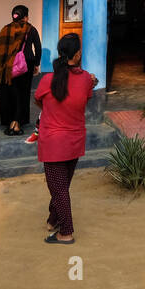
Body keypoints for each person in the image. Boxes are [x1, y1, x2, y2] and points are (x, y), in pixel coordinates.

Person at [35, 33, 97, 244]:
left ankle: (66, 232)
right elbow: (86, 95)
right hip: (75, 140)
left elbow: (38, 100)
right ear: (78, 54)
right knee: (61, 186)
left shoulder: (47, 80)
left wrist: (52, 109)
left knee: (58, 188)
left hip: (53, 141)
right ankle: (54, 220)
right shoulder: (87, 79)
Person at [0, 5, 41, 136]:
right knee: (23, 95)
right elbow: (38, 47)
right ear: (25, 17)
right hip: (26, 66)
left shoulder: (5, 29)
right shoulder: (30, 29)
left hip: (8, 69)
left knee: (10, 95)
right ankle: (17, 123)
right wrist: (36, 64)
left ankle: (10, 123)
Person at [104, 0, 127, 95]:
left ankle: (105, 86)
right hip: (102, 33)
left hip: (106, 32)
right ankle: (104, 86)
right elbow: (104, 1)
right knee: (105, 59)